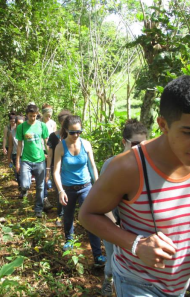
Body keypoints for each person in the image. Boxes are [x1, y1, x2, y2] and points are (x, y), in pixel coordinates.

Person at [79, 75, 190, 297]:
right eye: (189, 132)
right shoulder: (130, 167)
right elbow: (87, 215)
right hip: (137, 284)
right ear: (163, 125)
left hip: (180, 285)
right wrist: (136, 244)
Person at [99, 119, 148, 296]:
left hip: (136, 226)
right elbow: (100, 202)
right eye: (135, 144)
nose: (140, 148)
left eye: (144, 144)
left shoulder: (147, 165)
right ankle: (108, 280)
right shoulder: (111, 164)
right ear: (124, 142)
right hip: (114, 221)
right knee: (113, 259)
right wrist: (113, 225)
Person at [53, 115, 106, 268]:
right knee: (68, 216)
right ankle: (69, 240)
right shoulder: (60, 146)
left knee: (90, 219)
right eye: (72, 133)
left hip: (85, 187)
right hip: (68, 188)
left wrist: (97, 185)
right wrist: (60, 191)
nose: (76, 135)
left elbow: (92, 166)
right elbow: (56, 171)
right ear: (66, 131)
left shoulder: (86, 144)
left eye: (79, 132)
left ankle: (97, 255)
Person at [16, 104, 49, 218]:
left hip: (40, 160)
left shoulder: (42, 126)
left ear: (37, 115)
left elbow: (46, 142)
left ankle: (38, 209)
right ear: (27, 115)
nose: (32, 118)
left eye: (34, 116)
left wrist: (49, 155)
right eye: (30, 116)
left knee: (40, 187)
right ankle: (24, 190)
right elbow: (19, 145)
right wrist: (17, 162)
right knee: (25, 184)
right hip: (26, 160)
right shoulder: (22, 127)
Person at [46, 109, 71, 227]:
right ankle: (60, 215)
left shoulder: (73, 136)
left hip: (69, 170)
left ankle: (68, 215)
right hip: (56, 169)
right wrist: (47, 170)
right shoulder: (53, 136)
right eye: (63, 122)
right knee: (60, 192)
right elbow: (50, 154)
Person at [8, 115, 25, 189]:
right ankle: (21, 188)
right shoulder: (12, 133)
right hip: (16, 155)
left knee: (25, 172)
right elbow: (10, 146)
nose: (20, 125)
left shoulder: (27, 131)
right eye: (18, 123)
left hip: (26, 154)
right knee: (18, 172)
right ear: (16, 123)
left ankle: (25, 186)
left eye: (22, 123)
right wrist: (9, 157)